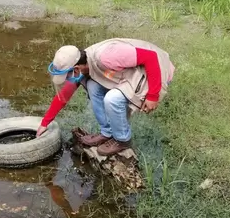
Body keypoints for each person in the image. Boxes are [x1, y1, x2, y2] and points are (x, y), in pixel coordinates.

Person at [36, 38, 175, 156]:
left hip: (157, 69)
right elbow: (63, 96)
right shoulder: (84, 64)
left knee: (112, 98)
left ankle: (122, 141)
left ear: (76, 68)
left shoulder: (106, 56)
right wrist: (44, 123)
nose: (66, 79)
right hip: (128, 72)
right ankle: (107, 133)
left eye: (67, 75)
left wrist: (153, 96)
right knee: (92, 86)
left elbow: (150, 57)